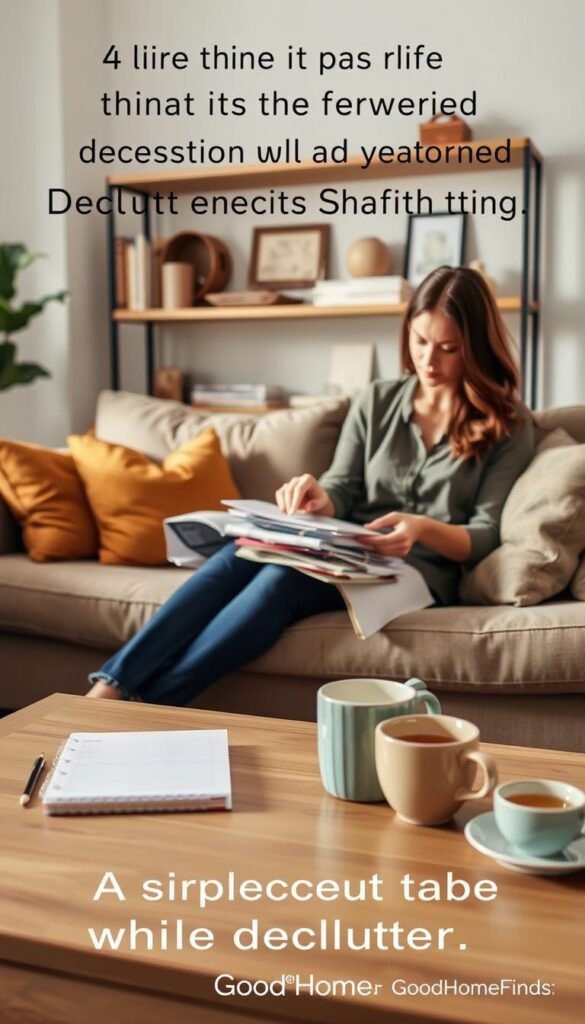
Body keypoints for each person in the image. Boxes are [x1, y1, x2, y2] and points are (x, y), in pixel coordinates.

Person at [87, 265, 534, 705]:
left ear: (474, 347)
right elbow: (342, 485)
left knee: (281, 578)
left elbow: (486, 533)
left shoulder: (507, 425)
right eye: (419, 341)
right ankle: (108, 688)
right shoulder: (377, 400)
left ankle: (156, 703)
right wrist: (319, 497)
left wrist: (420, 528)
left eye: (448, 348)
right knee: (239, 553)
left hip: (418, 573)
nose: (428, 361)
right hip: (347, 549)